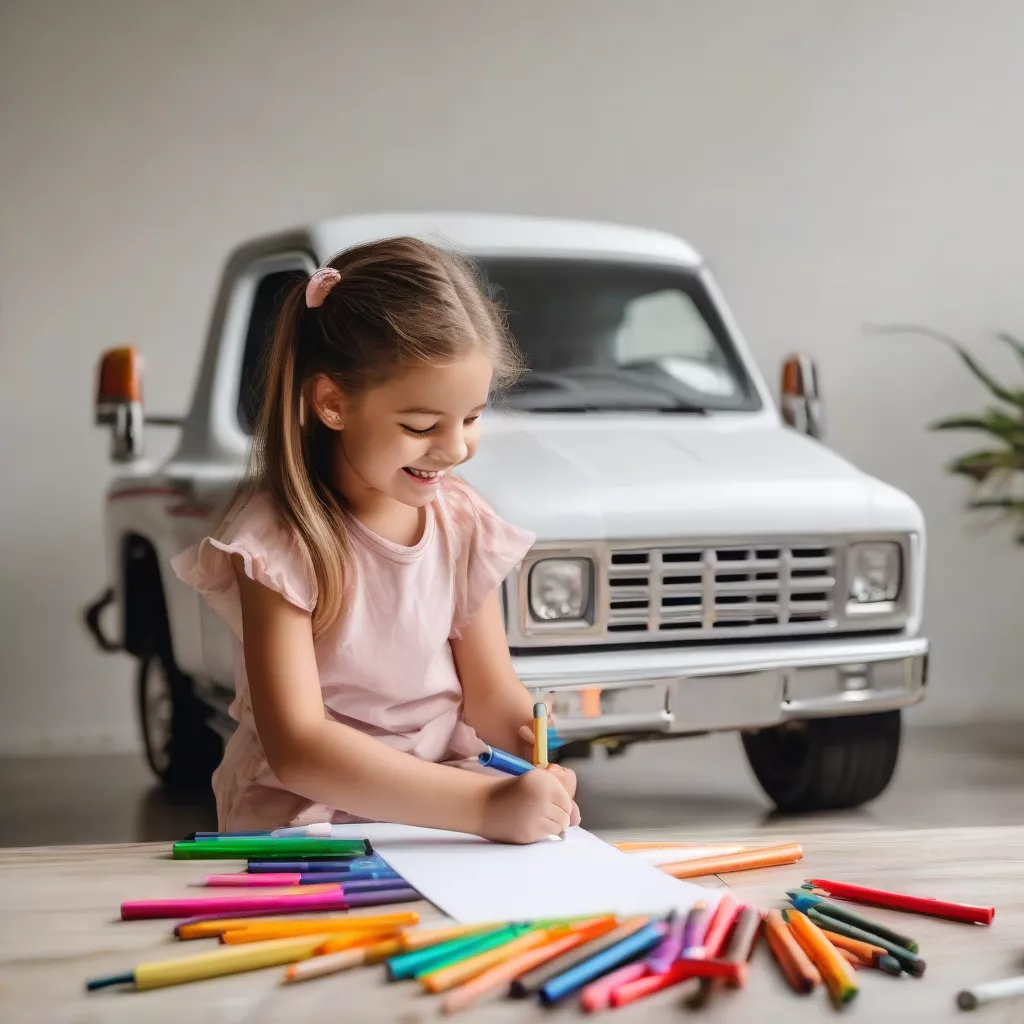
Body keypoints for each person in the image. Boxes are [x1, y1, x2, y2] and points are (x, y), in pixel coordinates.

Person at [172, 237, 579, 843]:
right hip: (308, 823)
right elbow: (300, 749)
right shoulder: (281, 541)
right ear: (333, 403)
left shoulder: (461, 522)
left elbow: (491, 695)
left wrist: (529, 737)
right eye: (421, 426)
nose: (455, 448)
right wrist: (485, 807)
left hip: (443, 801)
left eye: (471, 417)